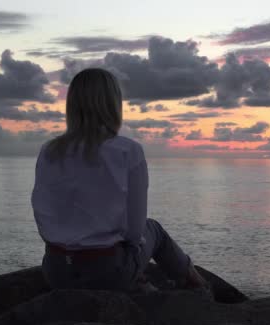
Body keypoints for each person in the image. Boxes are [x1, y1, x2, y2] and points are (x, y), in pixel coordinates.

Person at [31, 68, 208, 292]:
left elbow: (43, 213)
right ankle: (197, 286)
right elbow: (134, 231)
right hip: (106, 272)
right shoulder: (127, 151)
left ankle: (137, 280)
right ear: (113, 104)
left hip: (56, 270)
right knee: (153, 230)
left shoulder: (49, 151)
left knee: (120, 247)